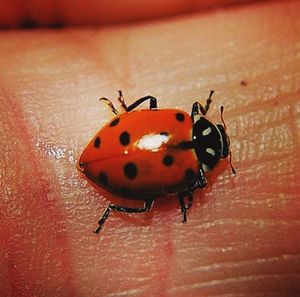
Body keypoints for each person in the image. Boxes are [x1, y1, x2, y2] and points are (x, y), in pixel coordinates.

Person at [1, 1, 299, 296]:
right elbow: (184, 186)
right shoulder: (192, 175)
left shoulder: (184, 122)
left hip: (118, 141)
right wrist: (185, 196)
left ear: (205, 123)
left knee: (147, 200)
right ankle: (111, 207)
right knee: (146, 206)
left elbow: (155, 112)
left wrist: (125, 115)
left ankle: (120, 115)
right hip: (116, 159)